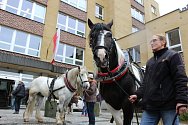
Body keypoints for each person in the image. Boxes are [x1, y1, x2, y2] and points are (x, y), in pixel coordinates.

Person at [129, 34, 188, 125]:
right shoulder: (150, 62)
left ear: (163, 42)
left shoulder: (173, 56)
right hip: (150, 106)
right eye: (151, 41)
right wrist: (137, 95)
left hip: (168, 105)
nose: (152, 43)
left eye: (154, 40)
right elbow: (145, 83)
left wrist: (182, 101)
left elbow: (180, 79)